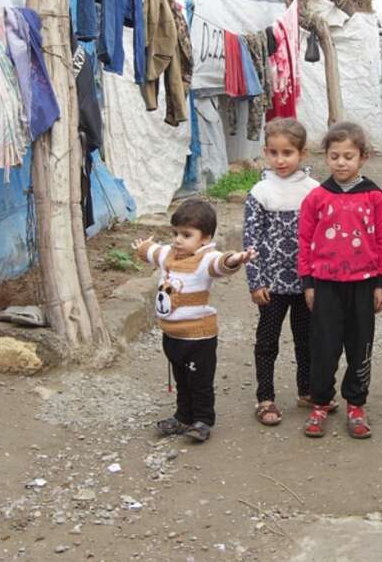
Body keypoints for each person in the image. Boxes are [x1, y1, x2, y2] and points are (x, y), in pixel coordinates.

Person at [133, 199, 253, 444]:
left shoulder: (204, 259)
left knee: (200, 382)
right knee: (182, 380)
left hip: (199, 338)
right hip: (172, 335)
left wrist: (235, 259)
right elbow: (154, 252)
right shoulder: (169, 254)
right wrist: (144, 247)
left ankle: (203, 420)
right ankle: (183, 416)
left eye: (186, 235)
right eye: (175, 233)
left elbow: (221, 264)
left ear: (205, 238)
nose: (178, 239)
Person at [298, 121, 382, 439]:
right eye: (334, 155)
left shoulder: (374, 196)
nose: (341, 162)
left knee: (359, 345)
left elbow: (381, 240)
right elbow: (305, 240)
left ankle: (356, 404)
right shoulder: (317, 197)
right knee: (324, 346)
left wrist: (381, 283)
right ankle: (321, 403)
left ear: (362, 157)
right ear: (326, 157)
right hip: (325, 285)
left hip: (363, 285)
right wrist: (308, 283)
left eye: (348, 156)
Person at [242, 118, 319, 426]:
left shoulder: (314, 191)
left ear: (303, 153)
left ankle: (307, 389)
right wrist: (255, 280)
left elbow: (322, 238)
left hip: (306, 284)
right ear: (265, 152)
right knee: (267, 341)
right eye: (273, 152)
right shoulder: (260, 192)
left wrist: (319, 280)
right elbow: (251, 239)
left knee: (307, 339)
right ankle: (266, 397)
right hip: (272, 284)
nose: (280, 159)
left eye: (287, 152)